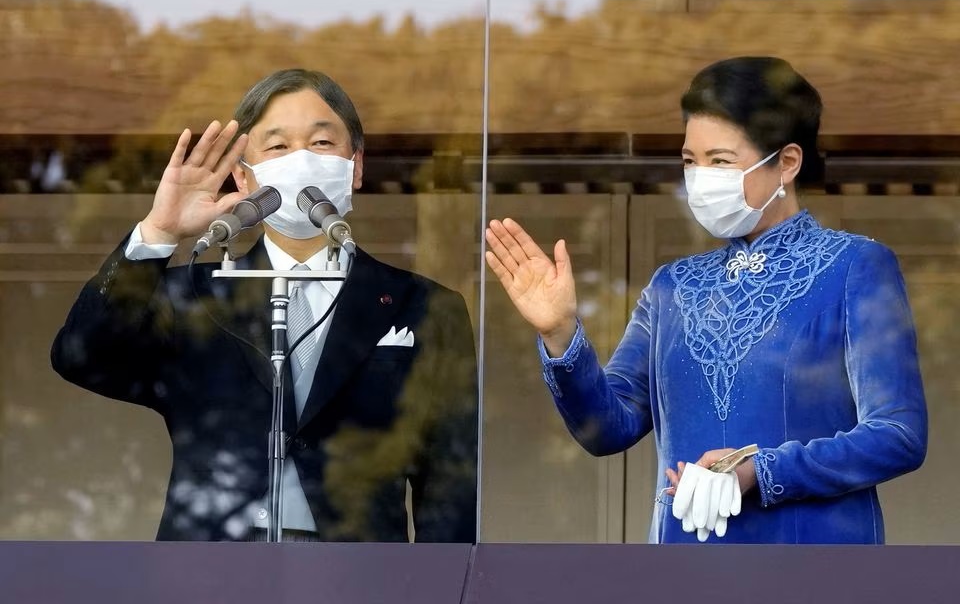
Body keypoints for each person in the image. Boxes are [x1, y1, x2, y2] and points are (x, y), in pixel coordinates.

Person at [485, 56, 927, 544]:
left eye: (720, 161)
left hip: (813, 569)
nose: (699, 178)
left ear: (787, 162)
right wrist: (560, 334)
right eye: (689, 161)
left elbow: (897, 435)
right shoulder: (672, 286)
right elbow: (606, 430)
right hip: (684, 571)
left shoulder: (854, 266)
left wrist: (761, 471)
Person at [51, 69, 478, 543]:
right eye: (276, 147)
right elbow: (80, 357)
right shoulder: (192, 295)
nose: (299, 160)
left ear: (356, 165)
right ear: (242, 175)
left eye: (320, 143)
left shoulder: (423, 306)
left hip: (362, 576)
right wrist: (159, 234)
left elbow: (450, 483)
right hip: (210, 571)